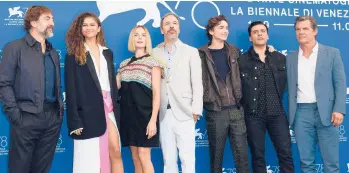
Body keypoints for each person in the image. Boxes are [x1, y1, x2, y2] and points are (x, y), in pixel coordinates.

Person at [0, 5, 63, 173]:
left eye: (52, 19)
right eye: (47, 18)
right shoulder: (14, 48)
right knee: (19, 169)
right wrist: (16, 116)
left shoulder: (53, 52)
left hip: (51, 119)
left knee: (42, 169)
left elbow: (57, 85)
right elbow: (4, 83)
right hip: (25, 117)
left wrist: (58, 115)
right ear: (33, 22)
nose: (52, 23)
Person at [65, 12, 123, 173]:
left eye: (92, 24)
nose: (89, 28)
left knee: (116, 151)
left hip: (109, 108)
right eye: (85, 25)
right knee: (90, 158)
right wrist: (74, 122)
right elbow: (70, 90)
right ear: (80, 29)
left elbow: (110, 83)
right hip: (87, 112)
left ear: (99, 28)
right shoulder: (73, 55)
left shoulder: (107, 53)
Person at [286, 16, 346, 173]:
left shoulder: (332, 53)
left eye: (305, 29)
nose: (301, 32)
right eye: (298, 29)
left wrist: (339, 109)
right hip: (301, 113)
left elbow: (340, 84)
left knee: (331, 164)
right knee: (306, 163)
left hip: (327, 112)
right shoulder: (290, 58)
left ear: (315, 31)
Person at [238, 21, 294, 173]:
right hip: (253, 115)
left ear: (267, 35)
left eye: (263, 31)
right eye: (255, 32)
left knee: (286, 153)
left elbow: (289, 84)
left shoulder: (280, 58)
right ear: (250, 38)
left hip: (277, 114)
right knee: (258, 156)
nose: (260, 34)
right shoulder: (241, 61)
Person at [152, 13, 203, 173]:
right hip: (163, 114)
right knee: (168, 160)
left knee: (187, 159)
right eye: (167, 24)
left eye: (174, 23)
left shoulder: (191, 52)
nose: (171, 26)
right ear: (162, 29)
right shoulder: (154, 52)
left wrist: (196, 110)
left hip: (185, 112)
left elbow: (197, 83)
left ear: (179, 29)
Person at [198, 15, 249, 173]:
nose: (225, 30)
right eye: (221, 27)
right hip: (215, 111)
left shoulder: (234, 51)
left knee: (242, 158)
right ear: (211, 31)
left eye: (226, 28)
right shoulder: (200, 54)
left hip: (236, 110)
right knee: (216, 159)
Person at [117, 25, 164, 173]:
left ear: (147, 39)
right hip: (128, 116)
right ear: (132, 39)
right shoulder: (123, 64)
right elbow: (114, 86)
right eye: (136, 35)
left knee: (144, 156)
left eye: (143, 35)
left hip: (146, 116)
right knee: (135, 156)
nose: (139, 38)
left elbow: (157, 94)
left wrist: (152, 121)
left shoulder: (153, 63)